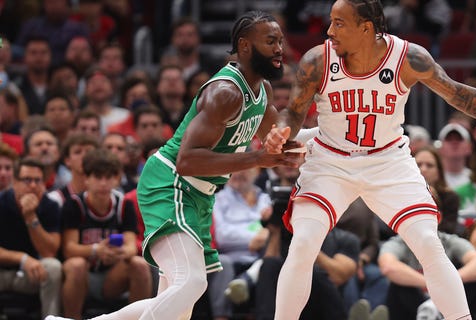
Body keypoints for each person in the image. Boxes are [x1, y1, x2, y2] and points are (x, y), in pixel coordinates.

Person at [264, 1, 476, 319]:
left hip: (388, 161)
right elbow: (295, 111)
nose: (329, 30)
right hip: (331, 159)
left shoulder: (408, 58)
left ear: (366, 28)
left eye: (339, 23)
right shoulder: (317, 60)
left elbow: (458, 94)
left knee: (428, 242)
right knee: (303, 244)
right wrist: (282, 131)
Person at [46, 10, 301, 320]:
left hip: (199, 192)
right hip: (171, 182)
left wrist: (325, 137)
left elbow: (281, 137)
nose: (279, 49)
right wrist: (257, 158)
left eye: (281, 41)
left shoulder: (262, 91)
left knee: (178, 304)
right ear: (245, 46)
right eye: (271, 41)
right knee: (191, 283)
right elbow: (186, 160)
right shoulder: (225, 93)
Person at [58, 148, 152, 319]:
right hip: (82, 276)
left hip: (111, 278)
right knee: (76, 265)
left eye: (108, 177)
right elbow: (68, 249)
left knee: (140, 265)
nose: (103, 183)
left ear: (117, 179)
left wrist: (119, 253)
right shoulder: (74, 204)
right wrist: (96, 250)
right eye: (97, 177)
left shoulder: (124, 205)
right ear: (86, 179)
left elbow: (131, 246)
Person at [0, 157, 63, 318]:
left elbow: (49, 251)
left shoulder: (50, 206)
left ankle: (51, 318)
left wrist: (31, 218)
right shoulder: (2, 202)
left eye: (38, 180)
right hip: (3, 271)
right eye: (27, 180)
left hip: (32, 275)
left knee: (53, 267)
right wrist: (22, 258)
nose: (33, 185)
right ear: (14, 181)